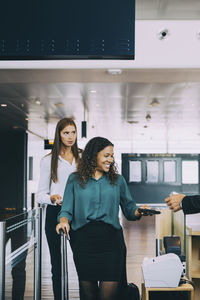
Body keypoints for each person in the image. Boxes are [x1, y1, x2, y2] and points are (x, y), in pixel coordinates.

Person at [56, 136, 149, 300]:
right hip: (83, 242)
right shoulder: (75, 180)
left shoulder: (117, 181)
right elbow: (66, 210)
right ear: (93, 155)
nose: (111, 160)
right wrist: (63, 222)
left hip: (112, 242)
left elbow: (129, 208)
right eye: (106, 155)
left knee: (109, 296)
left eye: (112, 156)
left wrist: (139, 212)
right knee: (88, 294)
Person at [36, 118, 81, 300]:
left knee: (82, 260)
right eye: (66, 133)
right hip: (55, 214)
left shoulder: (82, 157)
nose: (70, 137)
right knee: (57, 263)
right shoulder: (48, 161)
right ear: (59, 135)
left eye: (73, 132)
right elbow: (40, 194)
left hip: (78, 214)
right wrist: (52, 198)